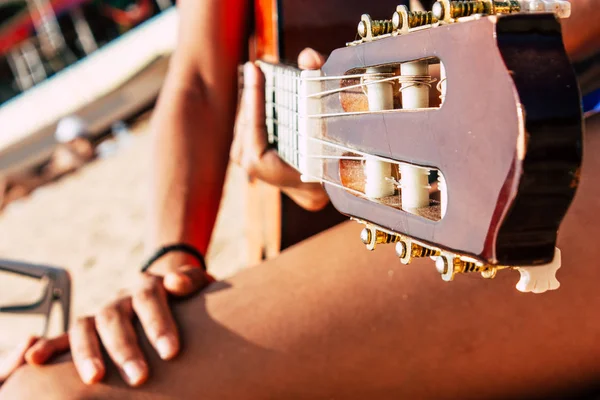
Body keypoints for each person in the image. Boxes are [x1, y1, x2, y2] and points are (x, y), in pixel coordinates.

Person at [1, 0, 599, 397]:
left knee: (54, 394)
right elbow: (202, 81)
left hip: (546, 175)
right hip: (428, 205)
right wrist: (170, 261)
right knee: (55, 379)